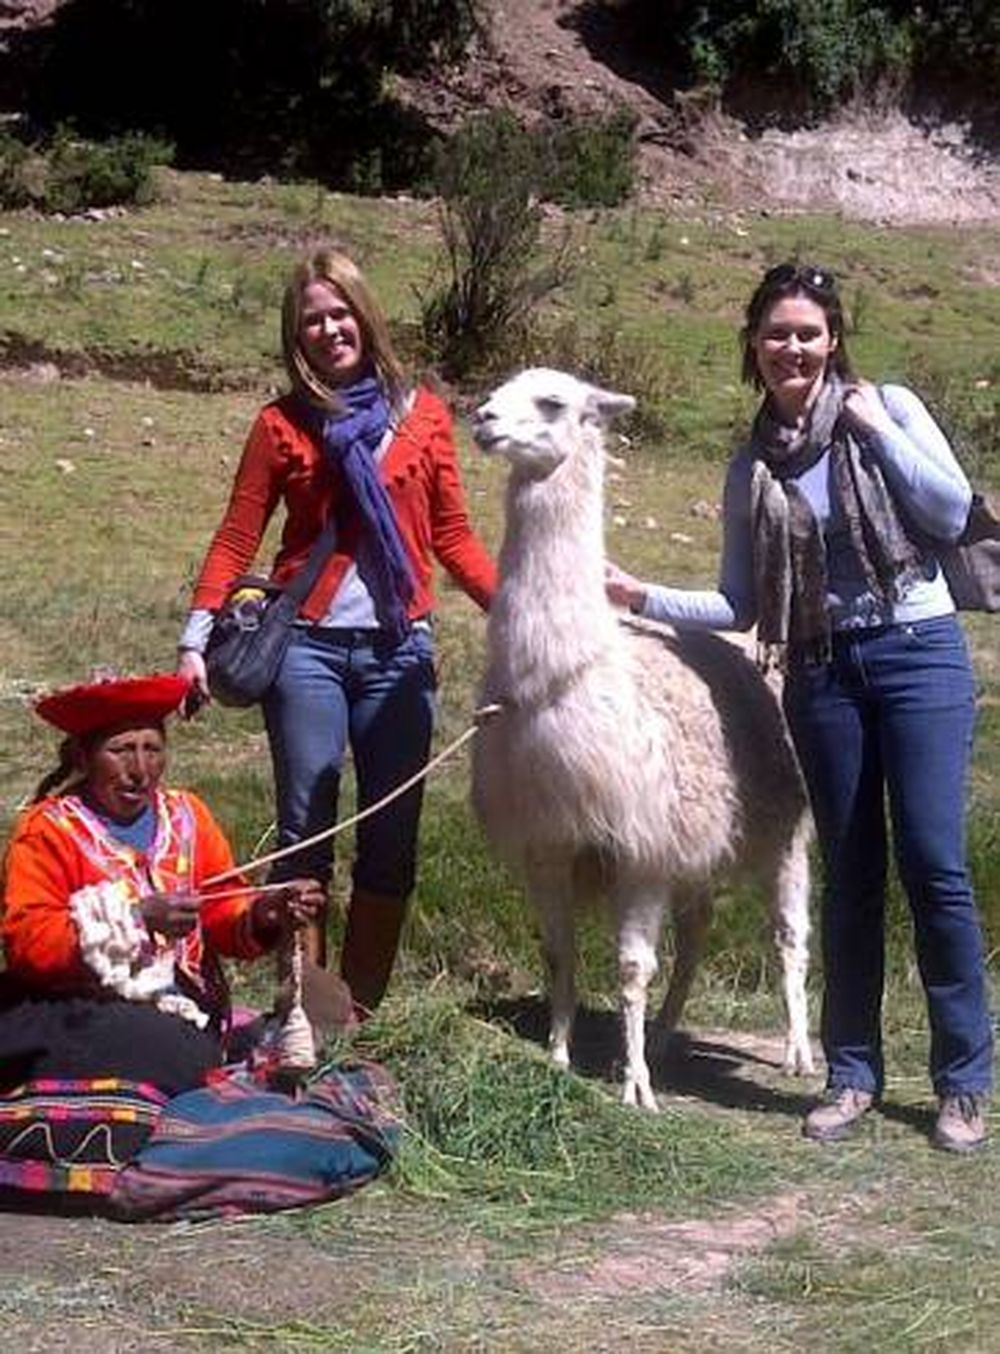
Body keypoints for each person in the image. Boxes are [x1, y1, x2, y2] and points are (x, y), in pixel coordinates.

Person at [606, 262, 993, 1153]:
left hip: (917, 654)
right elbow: (739, 603)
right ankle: (852, 1073)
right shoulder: (753, 464)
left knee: (934, 865)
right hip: (821, 671)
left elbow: (948, 507)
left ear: (833, 339)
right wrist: (643, 594)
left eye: (808, 333)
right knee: (851, 873)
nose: (793, 348)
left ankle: (962, 1082)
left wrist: (875, 430)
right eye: (777, 333)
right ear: (754, 344)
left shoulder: (885, 405)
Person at [177, 248, 496, 1015]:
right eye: (312, 319)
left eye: (339, 312)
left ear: (364, 315)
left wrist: (524, 615)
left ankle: (361, 1016)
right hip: (306, 650)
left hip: (400, 651)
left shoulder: (422, 418)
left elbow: (452, 538)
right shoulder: (281, 425)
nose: (329, 329)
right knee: (304, 834)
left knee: (391, 839)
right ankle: (305, 1016)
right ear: (299, 336)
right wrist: (194, 639)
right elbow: (236, 537)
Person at [0, 673, 324, 1094]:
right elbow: (27, 943)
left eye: (152, 749)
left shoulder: (188, 816)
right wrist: (134, 918)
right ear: (83, 755)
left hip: (180, 1009)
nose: (139, 770)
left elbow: (223, 914)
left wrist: (265, 913)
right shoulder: (47, 831)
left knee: (178, 1050)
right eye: (121, 750)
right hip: (78, 1005)